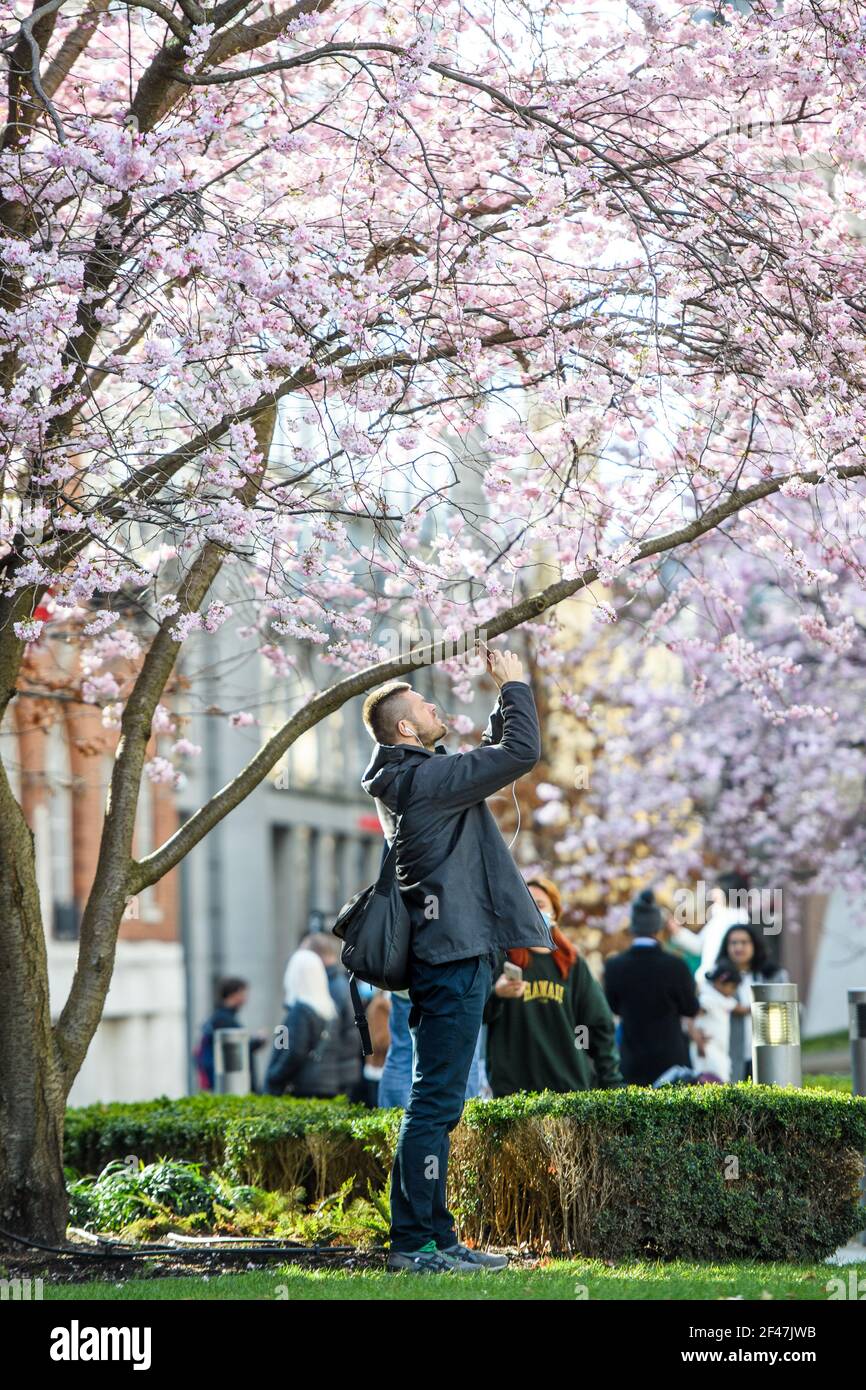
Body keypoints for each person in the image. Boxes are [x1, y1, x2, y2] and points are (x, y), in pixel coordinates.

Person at [361, 647, 555, 1274]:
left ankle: (436, 1239)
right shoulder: (422, 782)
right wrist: (513, 685)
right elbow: (521, 754)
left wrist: (503, 709)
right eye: (424, 704)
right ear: (406, 729)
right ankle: (415, 1242)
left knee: (438, 1102)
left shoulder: (417, 779)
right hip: (452, 958)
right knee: (436, 1104)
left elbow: (491, 763)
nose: (437, 705)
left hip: (450, 956)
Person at [484, 875, 623, 1095]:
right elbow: (476, 1013)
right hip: (515, 1093)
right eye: (525, 904)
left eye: (539, 905)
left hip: (569, 1088)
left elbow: (599, 1025)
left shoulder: (573, 963)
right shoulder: (502, 958)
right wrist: (496, 994)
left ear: (555, 913)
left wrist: (611, 1082)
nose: (532, 911)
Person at [603, 888, 700, 1085]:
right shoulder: (676, 965)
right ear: (658, 929)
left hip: (632, 1058)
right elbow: (690, 1008)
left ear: (633, 928)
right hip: (671, 1058)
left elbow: (612, 1007)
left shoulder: (614, 966)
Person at [715, 923, 790, 1081]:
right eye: (733, 943)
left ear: (754, 945)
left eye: (744, 942)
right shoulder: (718, 979)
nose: (739, 947)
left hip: (768, 1051)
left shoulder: (773, 976)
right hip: (731, 1053)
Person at [298, 933, 364, 1101]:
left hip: (336, 1074)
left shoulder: (332, 987)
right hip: (343, 1070)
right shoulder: (340, 983)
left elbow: (331, 1033)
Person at [264, 948, 339, 1097]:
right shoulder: (329, 1009)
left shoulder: (300, 1011)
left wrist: (274, 1075)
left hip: (303, 1088)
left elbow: (292, 1050)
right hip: (327, 1084)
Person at [668, 871, 751, 984]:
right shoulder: (719, 918)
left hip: (722, 983)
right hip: (710, 981)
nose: (713, 894)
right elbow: (700, 946)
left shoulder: (737, 920)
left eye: (718, 890)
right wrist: (678, 932)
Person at [194, 976, 267, 1092]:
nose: (246, 998)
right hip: (231, 1085)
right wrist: (258, 1041)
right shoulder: (224, 1019)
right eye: (243, 993)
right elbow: (237, 1050)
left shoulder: (220, 1017)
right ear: (235, 994)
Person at [693, 960, 743, 1082]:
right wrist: (695, 1036)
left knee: (722, 1078)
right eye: (732, 987)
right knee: (710, 1081)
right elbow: (691, 1016)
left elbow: (740, 1009)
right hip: (707, 1048)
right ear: (720, 982)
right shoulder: (707, 998)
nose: (733, 991)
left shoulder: (724, 999)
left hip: (720, 1049)